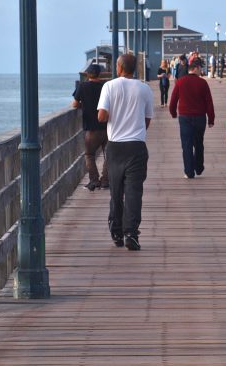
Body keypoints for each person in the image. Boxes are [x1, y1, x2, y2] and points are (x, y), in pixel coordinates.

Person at [97, 53, 154, 250]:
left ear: (119, 67)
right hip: (136, 146)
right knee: (134, 192)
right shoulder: (144, 88)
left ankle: (116, 230)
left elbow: (102, 116)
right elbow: (147, 120)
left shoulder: (109, 86)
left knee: (116, 191)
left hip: (115, 147)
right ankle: (131, 233)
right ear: (135, 68)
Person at [168, 56, 215, 179]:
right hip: (200, 117)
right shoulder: (203, 83)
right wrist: (211, 119)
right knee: (199, 143)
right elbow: (209, 102)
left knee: (187, 145)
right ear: (196, 68)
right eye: (200, 69)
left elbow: (173, 101)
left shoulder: (180, 82)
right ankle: (199, 167)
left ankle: (189, 172)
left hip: (185, 118)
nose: (201, 71)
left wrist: (173, 113)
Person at [71, 64, 109, 190]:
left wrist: (85, 105)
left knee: (89, 155)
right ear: (100, 74)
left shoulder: (83, 86)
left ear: (87, 74)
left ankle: (94, 180)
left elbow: (75, 104)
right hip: (108, 126)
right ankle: (105, 180)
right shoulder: (105, 86)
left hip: (92, 128)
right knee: (108, 155)